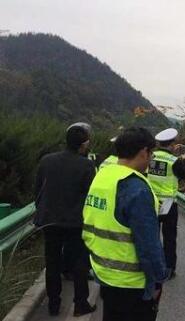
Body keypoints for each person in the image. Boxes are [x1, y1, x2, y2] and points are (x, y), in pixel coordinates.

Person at [83, 127, 169, 321]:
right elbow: (148, 245)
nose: (151, 158)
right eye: (151, 153)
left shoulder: (102, 176)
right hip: (132, 284)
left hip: (104, 273)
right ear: (143, 152)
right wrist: (157, 282)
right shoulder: (136, 188)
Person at [34, 123, 97, 317]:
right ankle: (80, 303)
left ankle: (54, 304)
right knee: (80, 263)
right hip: (75, 222)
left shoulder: (46, 160)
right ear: (84, 144)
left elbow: (38, 190)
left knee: (52, 262)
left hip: (49, 220)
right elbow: (89, 196)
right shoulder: (87, 165)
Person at [147, 128, 185, 279]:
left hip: (151, 201)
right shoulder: (174, 161)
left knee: (151, 236)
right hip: (168, 204)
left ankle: (152, 265)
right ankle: (169, 269)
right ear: (172, 144)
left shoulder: (149, 157)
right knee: (169, 237)